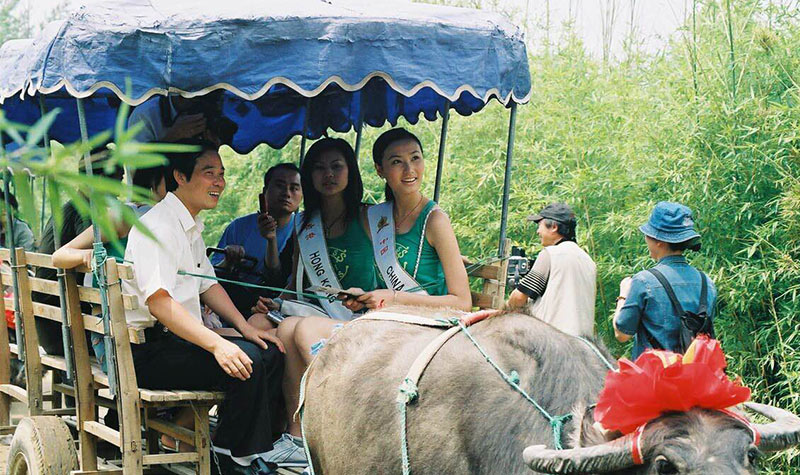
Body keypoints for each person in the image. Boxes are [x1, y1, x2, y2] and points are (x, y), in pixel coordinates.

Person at [122, 141, 285, 474]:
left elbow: (207, 284)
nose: (219, 182)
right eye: (209, 173)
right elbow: (160, 303)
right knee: (246, 360)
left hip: (176, 342)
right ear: (180, 176)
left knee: (267, 350)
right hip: (148, 351)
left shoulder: (188, 225)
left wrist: (245, 328)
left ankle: (237, 448)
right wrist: (218, 344)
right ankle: (232, 459)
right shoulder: (160, 226)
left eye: (221, 174)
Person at [262, 138, 378, 467]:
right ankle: (286, 433)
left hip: (357, 313)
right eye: (318, 167)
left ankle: (321, 432)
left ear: (350, 172)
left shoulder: (370, 219)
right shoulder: (305, 226)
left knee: (293, 330)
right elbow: (295, 283)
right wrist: (273, 300)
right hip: (313, 308)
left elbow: (387, 273)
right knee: (263, 325)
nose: (328, 174)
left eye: (336, 166)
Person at [348, 127, 471, 311]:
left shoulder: (435, 220)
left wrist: (395, 298)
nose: (409, 169)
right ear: (379, 170)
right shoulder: (376, 218)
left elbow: (463, 302)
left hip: (428, 326)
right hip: (389, 322)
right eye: (397, 162)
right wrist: (364, 298)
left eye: (415, 158)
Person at [34, 153, 124, 356]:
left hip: (50, 325)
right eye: (117, 183)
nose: (119, 194)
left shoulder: (69, 207)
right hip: (66, 332)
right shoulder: (85, 212)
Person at [613, 201, 717, 359]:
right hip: (695, 381)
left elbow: (622, 334)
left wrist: (623, 295)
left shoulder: (643, 281)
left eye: (647, 234)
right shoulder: (707, 282)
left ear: (659, 240)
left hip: (655, 380)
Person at [211, 163, 302, 317]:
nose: (287, 193)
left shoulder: (304, 232)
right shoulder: (238, 227)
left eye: (294, 188)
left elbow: (277, 279)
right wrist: (229, 261)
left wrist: (271, 240)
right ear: (265, 192)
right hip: (232, 309)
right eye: (280, 186)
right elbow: (212, 277)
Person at [506, 203, 597, 337]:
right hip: (583, 343)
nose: (538, 231)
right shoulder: (588, 261)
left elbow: (519, 298)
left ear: (554, 227)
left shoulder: (551, 254)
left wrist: (506, 304)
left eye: (540, 225)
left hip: (553, 340)